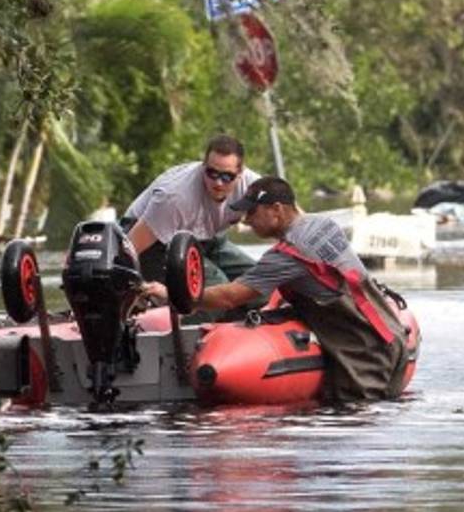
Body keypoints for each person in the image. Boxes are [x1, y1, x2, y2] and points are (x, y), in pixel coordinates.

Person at [142, 176, 410, 403]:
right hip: (392, 337)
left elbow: (229, 296)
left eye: (252, 212)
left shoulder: (286, 256)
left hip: (366, 355)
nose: (246, 221)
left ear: (277, 210)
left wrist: (176, 295)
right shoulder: (324, 225)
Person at [120, 134, 260, 286]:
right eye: (212, 173)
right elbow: (128, 251)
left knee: (260, 280)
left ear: (240, 174)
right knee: (219, 289)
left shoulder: (254, 188)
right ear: (203, 167)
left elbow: (284, 222)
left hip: (205, 238)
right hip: (153, 240)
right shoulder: (175, 197)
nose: (218, 183)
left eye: (227, 177)